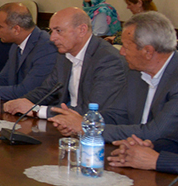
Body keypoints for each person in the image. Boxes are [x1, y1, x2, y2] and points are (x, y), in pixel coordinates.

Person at [2, 7, 128, 134]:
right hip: (67, 129)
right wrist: (19, 104)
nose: (52, 38)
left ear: (82, 30)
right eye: (51, 31)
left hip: (97, 135)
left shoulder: (108, 60)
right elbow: (46, 90)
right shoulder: (64, 54)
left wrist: (36, 110)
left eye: (58, 31)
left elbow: (92, 111)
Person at [72, 12, 178, 155]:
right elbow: (116, 115)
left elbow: (155, 133)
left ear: (148, 51)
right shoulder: (136, 72)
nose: (121, 52)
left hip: (165, 160)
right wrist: (82, 122)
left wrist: (88, 129)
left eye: (126, 47)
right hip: (132, 153)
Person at [0, 3, 57, 101]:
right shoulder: (16, 44)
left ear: (16, 29)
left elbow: (25, 91)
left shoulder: (46, 48)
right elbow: (4, 78)